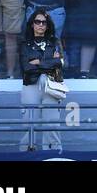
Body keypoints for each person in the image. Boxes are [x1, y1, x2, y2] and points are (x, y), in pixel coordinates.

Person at [18, 10, 65, 151]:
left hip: (52, 84)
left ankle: (53, 152)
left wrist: (38, 62)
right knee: (29, 122)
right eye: (37, 22)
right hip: (31, 84)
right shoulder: (25, 44)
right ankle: (27, 153)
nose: (40, 25)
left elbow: (60, 62)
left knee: (52, 123)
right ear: (32, 24)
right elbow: (26, 67)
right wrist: (49, 62)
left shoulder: (55, 42)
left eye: (43, 22)